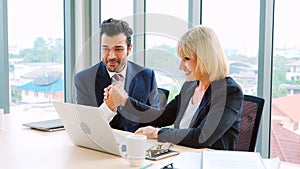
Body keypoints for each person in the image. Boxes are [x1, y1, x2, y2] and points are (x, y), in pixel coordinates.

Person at [104, 25, 243, 150]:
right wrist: (124, 100)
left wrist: (156, 133)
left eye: (186, 59)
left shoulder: (229, 92)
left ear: (205, 58)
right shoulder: (190, 86)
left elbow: (202, 137)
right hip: (182, 157)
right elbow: (161, 117)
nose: (181, 67)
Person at [75, 18, 160, 132]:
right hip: (99, 146)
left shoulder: (147, 76)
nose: (111, 56)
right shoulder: (84, 79)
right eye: (106, 49)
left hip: (136, 144)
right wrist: (109, 105)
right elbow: (86, 126)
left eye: (118, 49)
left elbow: (155, 120)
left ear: (129, 49)